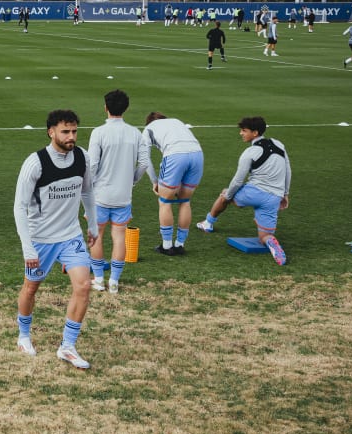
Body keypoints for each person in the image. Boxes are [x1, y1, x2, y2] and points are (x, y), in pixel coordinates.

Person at [13, 109, 99, 369]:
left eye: (74, 131)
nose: (71, 136)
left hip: (70, 235)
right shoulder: (35, 163)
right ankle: (24, 335)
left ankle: (68, 346)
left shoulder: (83, 157)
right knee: (31, 288)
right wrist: (28, 249)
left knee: (83, 286)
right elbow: (19, 207)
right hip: (41, 238)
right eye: (65, 131)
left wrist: (93, 226)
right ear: (51, 132)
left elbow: (88, 192)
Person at [196, 117, 291, 266]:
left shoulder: (250, 152)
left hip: (253, 194)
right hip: (274, 197)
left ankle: (208, 223)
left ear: (255, 133)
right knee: (264, 236)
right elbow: (288, 170)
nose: (241, 133)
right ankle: (271, 242)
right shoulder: (279, 144)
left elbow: (238, 181)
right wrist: (285, 194)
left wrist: (228, 195)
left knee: (225, 194)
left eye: (244, 131)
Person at [87, 91, 147, 294]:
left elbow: (92, 165)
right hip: (123, 196)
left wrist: (89, 187)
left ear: (105, 107)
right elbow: (145, 163)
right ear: (126, 108)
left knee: (96, 235)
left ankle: (98, 279)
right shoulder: (135, 133)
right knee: (119, 237)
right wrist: (132, 181)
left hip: (101, 195)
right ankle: (114, 281)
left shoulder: (99, 132)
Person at [139, 111, 204, 256]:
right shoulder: (176, 121)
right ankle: (180, 245)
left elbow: (144, 159)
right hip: (198, 154)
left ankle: (167, 246)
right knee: (185, 201)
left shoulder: (148, 129)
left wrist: (155, 181)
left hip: (175, 155)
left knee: (164, 201)